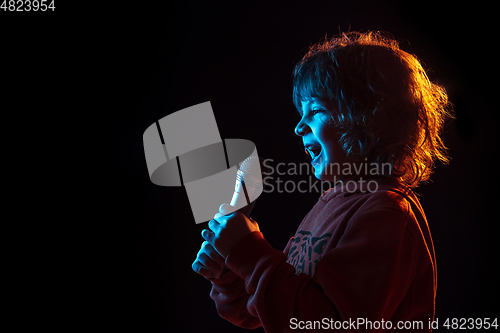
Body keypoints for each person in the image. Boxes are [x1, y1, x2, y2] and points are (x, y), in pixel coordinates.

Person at [192, 31, 452, 332]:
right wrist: (229, 271)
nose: (299, 127)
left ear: (369, 120)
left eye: (315, 111)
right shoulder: (329, 207)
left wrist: (248, 251)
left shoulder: (385, 214)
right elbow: (271, 311)